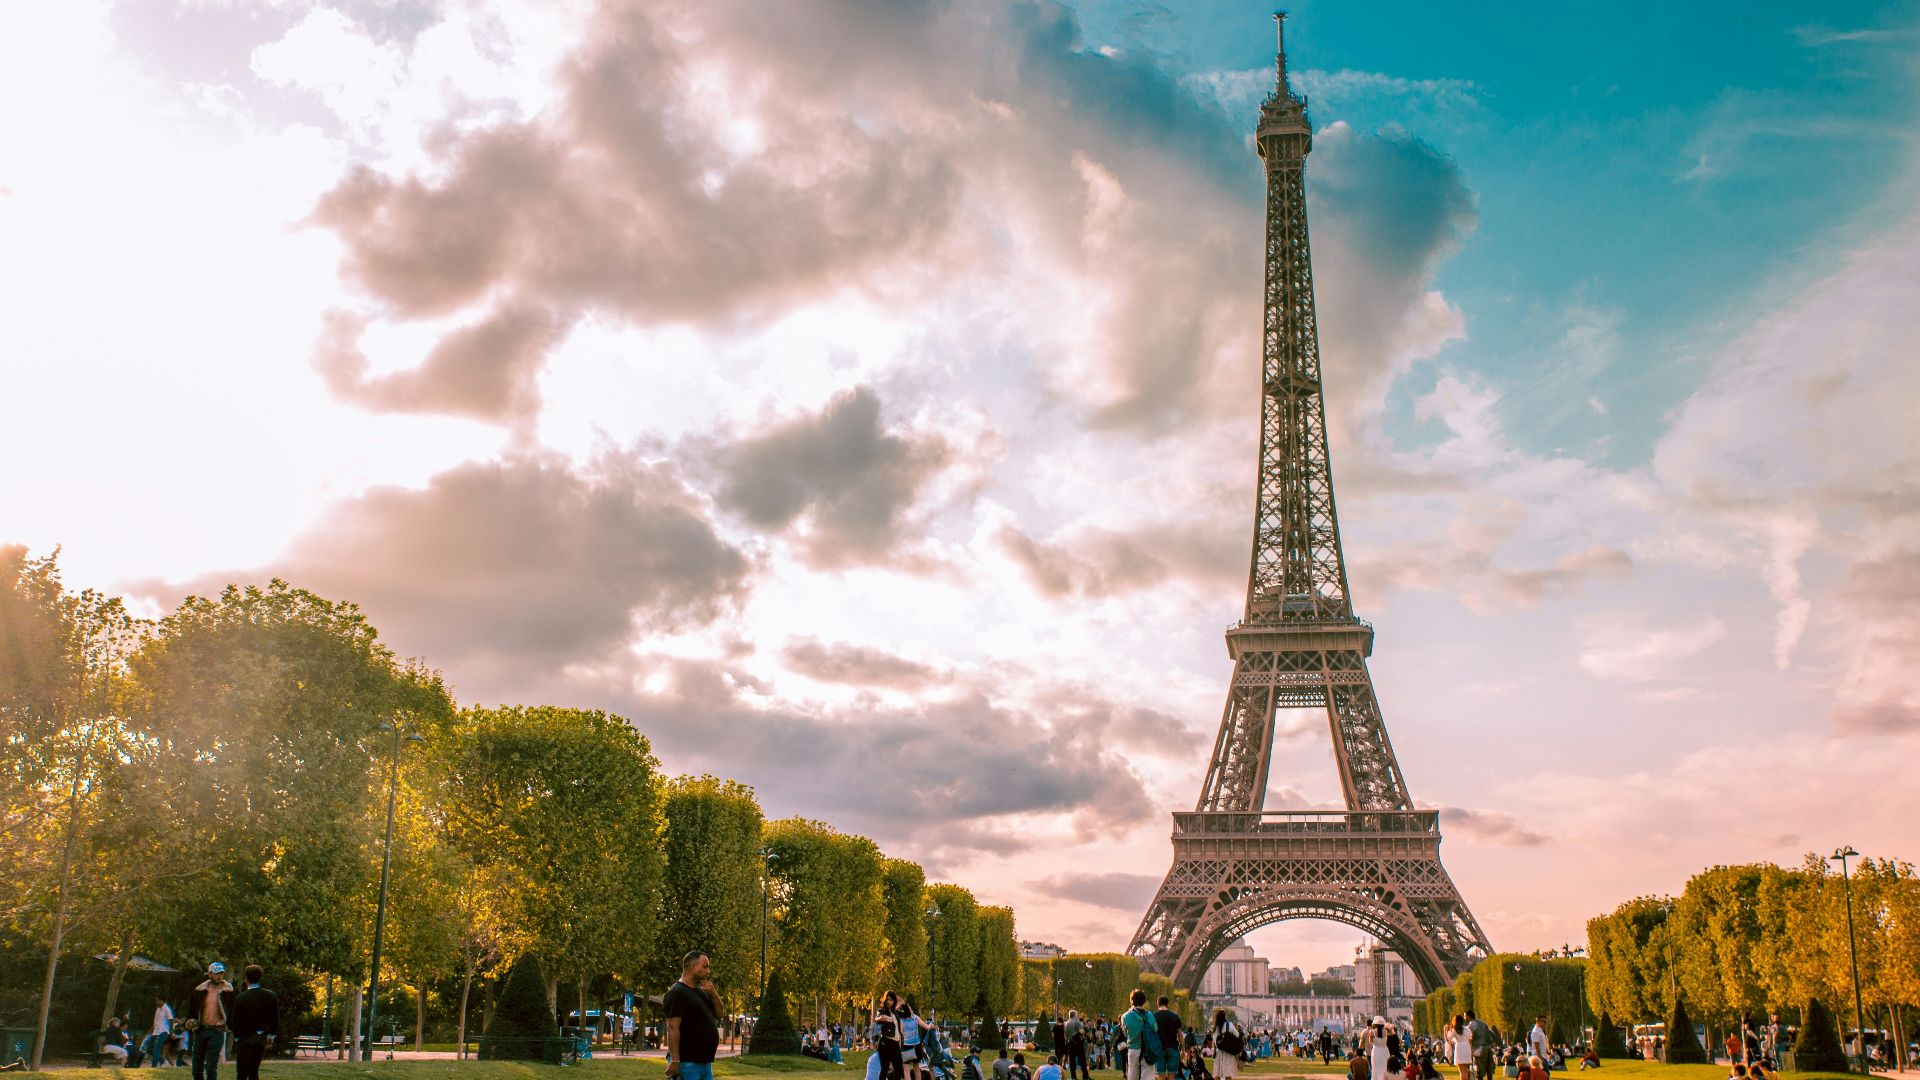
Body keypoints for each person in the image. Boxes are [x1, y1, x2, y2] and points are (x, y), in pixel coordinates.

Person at [664, 951, 721, 1080]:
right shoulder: (676, 993)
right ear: (693, 967)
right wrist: (675, 1061)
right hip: (687, 1062)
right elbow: (673, 1028)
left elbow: (719, 1014)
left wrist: (714, 994)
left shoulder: (702, 992)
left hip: (705, 1063)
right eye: (705, 966)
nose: (708, 971)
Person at [188, 962, 237, 1080]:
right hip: (200, 1030)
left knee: (211, 1066)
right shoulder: (199, 990)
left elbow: (235, 1011)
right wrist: (189, 1022)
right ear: (209, 974)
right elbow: (191, 1010)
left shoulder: (229, 992)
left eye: (221, 973)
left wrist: (229, 1026)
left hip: (217, 1031)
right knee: (196, 1067)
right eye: (216, 973)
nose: (219, 976)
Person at [229, 965, 279, 1080]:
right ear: (260, 977)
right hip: (261, 1037)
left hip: (244, 1038)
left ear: (246, 979)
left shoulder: (240, 998)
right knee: (254, 1071)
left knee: (241, 1072)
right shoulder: (270, 996)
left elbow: (235, 1020)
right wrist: (271, 1035)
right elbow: (275, 1018)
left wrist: (237, 1037)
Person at [1121, 991, 1157, 1080]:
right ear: (1144, 1001)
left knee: (1132, 1076)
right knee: (1148, 1077)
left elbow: (1125, 1033)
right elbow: (1155, 1030)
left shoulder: (1125, 1016)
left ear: (1131, 1001)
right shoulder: (1150, 1016)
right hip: (1148, 1049)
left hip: (1133, 1049)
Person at [1152, 998, 1182, 1079]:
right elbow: (1180, 1034)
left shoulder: (1154, 1017)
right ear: (1167, 1004)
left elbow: (1151, 1033)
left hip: (1159, 1048)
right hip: (1173, 1047)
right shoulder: (1175, 1017)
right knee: (1172, 1074)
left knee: (1160, 1074)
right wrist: (1183, 1049)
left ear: (1157, 1004)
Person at [143, 996, 175, 1069]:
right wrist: (150, 1030)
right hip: (155, 1032)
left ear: (161, 1000)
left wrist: (171, 1032)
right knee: (148, 1048)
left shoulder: (167, 1009)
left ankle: (153, 1066)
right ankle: (162, 1061)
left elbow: (172, 1021)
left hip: (163, 1032)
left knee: (156, 1048)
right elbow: (155, 1021)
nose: (156, 1002)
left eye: (157, 1000)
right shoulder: (157, 1009)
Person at [1210, 1011, 1242, 1080]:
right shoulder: (1229, 1024)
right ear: (1225, 1016)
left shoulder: (1216, 1026)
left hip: (1219, 1052)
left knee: (1217, 1073)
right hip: (1229, 1052)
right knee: (1228, 1074)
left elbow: (1215, 1040)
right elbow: (1237, 1034)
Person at [1466, 1012, 1493, 1080]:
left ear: (1468, 1016)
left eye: (1464, 1015)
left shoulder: (1472, 1024)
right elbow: (1490, 1033)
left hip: (1478, 1048)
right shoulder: (1482, 1022)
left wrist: (1470, 1049)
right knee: (1489, 1069)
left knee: (1479, 1069)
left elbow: (1470, 1037)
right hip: (1488, 1047)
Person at [1449, 1014, 1475, 1080]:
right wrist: (1471, 1049)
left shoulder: (1454, 1030)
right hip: (1467, 1047)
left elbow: (1449, 1039)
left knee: (1461, 1071)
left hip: (1459, 1048)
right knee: (1465, 1071)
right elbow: (1470, 1039)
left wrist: (1446, 1029)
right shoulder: (1466, 1029)